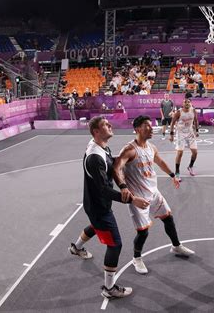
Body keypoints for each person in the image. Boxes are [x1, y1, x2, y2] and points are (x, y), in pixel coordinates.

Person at [68, 116, 149, 299]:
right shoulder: (95, 157)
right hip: (99, 207)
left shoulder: (100, 146)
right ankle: (109, 288)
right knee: (115, 244)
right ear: (96, 131)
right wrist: (132, 199)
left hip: (94, 204)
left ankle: (76, 248)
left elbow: (109, 163)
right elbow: (104, 190)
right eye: (105, 125)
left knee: (97, 227)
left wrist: (125, 160)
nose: (110, 125)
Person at [113, 115, 195, 274]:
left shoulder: (151, 147)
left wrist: (172, 175)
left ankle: (176, 246)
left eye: (151, 126)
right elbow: (116, 168)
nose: (151, 129)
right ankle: (136, 258)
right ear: (137, 129)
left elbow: (160, 161)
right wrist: (123, 187)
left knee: (168, 219)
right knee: (143, 232)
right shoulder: (130, 149)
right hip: (138, 197)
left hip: (153, 192)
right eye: (147, 126)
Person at [169, 94, 199, 179]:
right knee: (180, 153)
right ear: (183, 104)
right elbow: (172, 123)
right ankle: (177, 172)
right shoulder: (179, 112)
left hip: (190, 133)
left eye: (188, 102)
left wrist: (196, 131)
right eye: (185, 102)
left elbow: (196, 121)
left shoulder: (193, 111)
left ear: (190, 103)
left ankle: (190, 166)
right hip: (180, 133)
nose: (187, 103)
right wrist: (171, 134)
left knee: (195, 152)